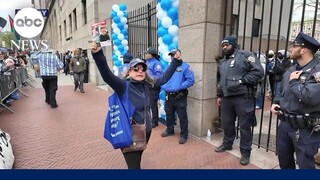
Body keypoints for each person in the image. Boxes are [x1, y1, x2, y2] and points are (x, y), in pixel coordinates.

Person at [90, 41, 182, 169]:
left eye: (143, 69)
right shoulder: (123, 86)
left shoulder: (147, 85)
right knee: (134, 167)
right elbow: (107, 76)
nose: (140, 71)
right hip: (129, 133)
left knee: (137, 160)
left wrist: (175, 62)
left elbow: (164, 78)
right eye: (136, 69)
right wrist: (97, 53)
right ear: (129, 71)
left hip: (145, 132)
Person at [270, 32, 320, 169]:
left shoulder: (317, 71)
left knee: (305, 166)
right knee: (284, 163)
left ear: (303, 50)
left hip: (305, 129)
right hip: (285, 124)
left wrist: (294, 82)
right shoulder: (291, 69)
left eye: (294, 46)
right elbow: (281, 90)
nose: (290, 49)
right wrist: (276, 102)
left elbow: (311, 97)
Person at [215, 36, 264, 165]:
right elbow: (220, 81)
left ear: (234, 45)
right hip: (227, 98)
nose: (224, 47)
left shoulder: (245, 55)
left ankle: (246, 152)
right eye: (223, 45)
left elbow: (259, 72)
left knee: (245, 127)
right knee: (227, 123)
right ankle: (227, 143)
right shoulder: (223, 62)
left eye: (227, 45)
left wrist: (241, 81)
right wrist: (219, 95)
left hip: (243, 98)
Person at [160, 49, 195, 144]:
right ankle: (170, 130)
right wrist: (164, 87)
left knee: (182, 116)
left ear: (180, 56)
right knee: (169, 114)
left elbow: (191, 80)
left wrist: (178, 87)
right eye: (171, 55)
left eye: (175, 55)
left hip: (180, 96)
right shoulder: (168, 67)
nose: (173, 57)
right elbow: (163, 79)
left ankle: (184, 135)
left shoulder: (185, 67)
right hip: (169, 96)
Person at [145, 47, 163, 128]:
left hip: (153, 87)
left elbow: (158, 76)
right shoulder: (147, 62)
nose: (146, 55)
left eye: (147, 53)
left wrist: (150, 77)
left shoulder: (156, 63)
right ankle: (149, 119)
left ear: (151, 55)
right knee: (148, 104)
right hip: (147, 86)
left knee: (153, 105)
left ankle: (155, 121)